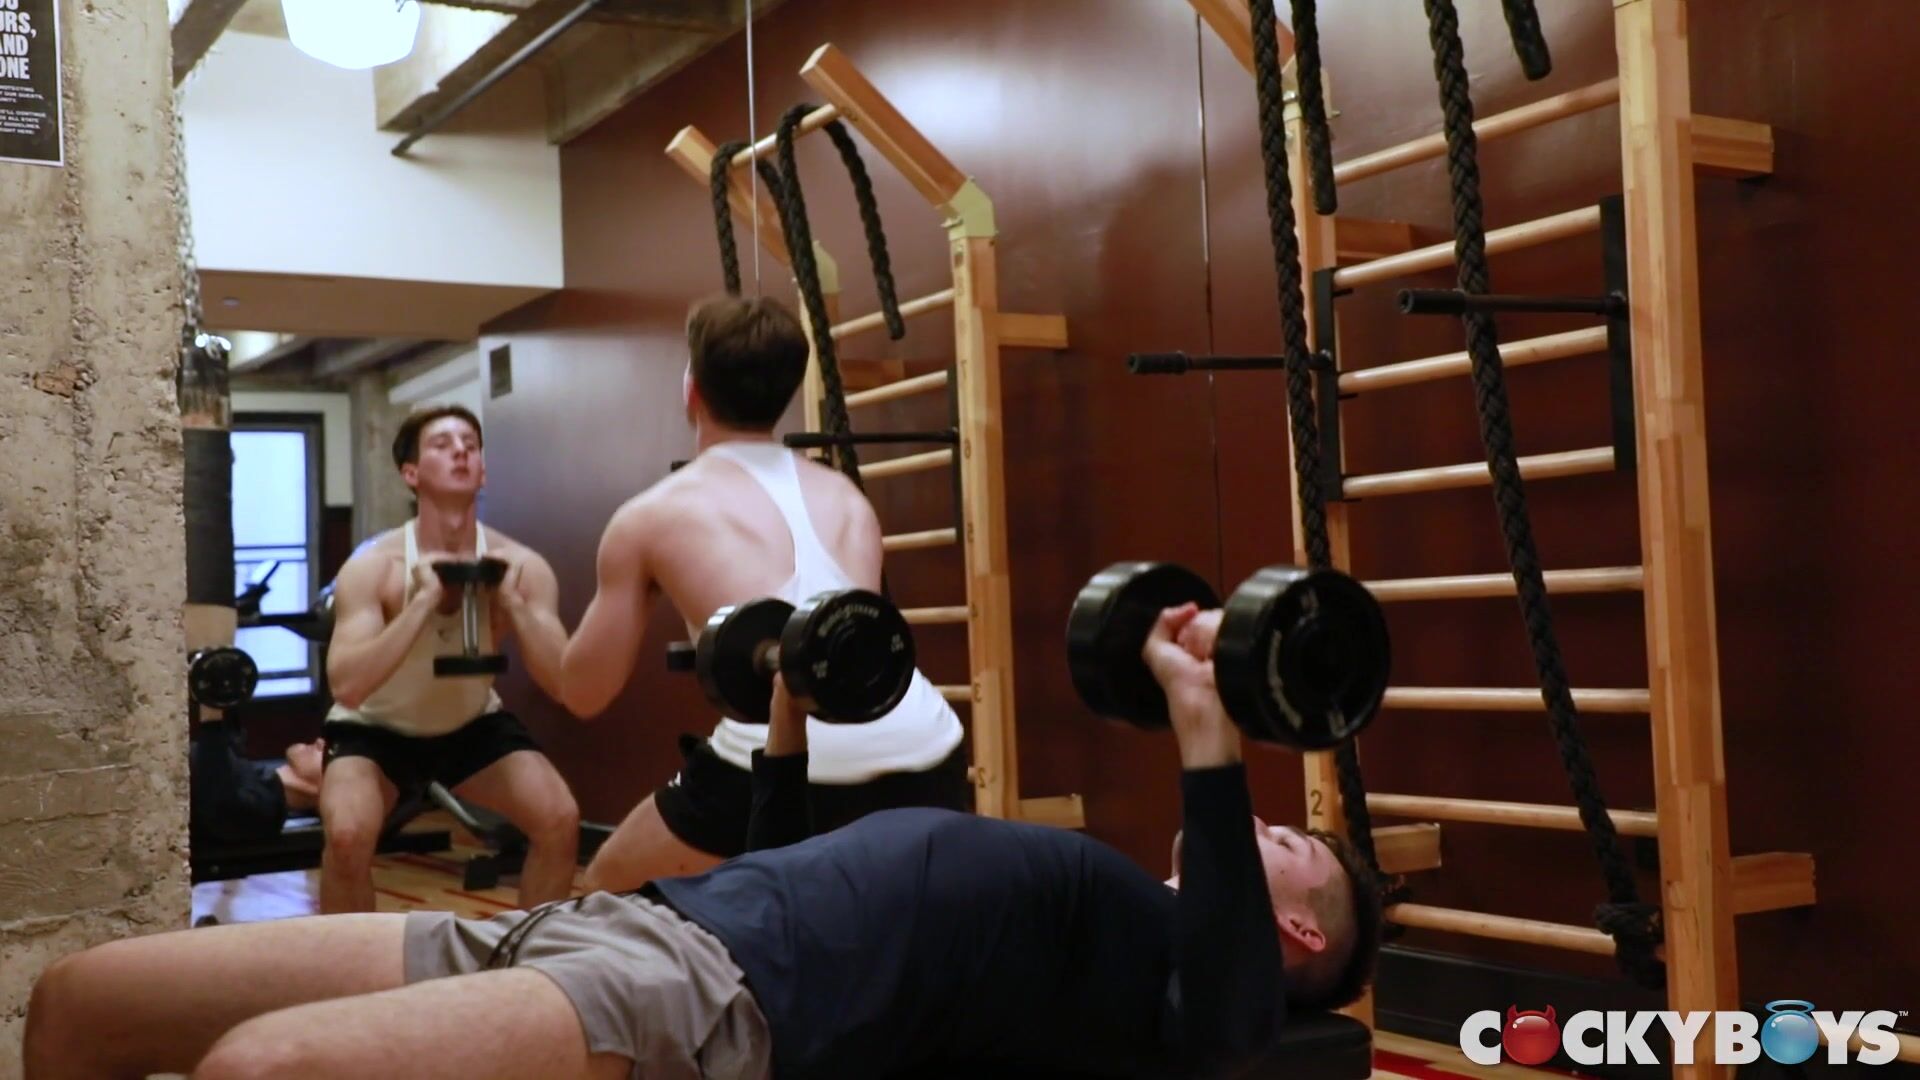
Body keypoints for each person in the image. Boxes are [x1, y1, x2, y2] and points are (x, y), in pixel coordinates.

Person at [21, 599, 1384, 1080]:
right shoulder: (1096, 918)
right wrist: (785, 706)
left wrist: (1206, 722)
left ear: (1294, 931)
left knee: (262, 1070)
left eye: (1293, 847)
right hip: (616, 930)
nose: (1269, 825)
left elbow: (1227, 1028)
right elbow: (781, 860)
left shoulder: (1187, 994)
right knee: (84, 1002)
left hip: (705, 995)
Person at [558, 295, 969, 892]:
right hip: (928, 743)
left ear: (692, 391)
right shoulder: (846, 495)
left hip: (785, 750)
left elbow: (584, 692)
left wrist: (526, 613)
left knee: (603, 894)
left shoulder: (651, 514)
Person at [319, 405, 580, 913]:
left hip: (469, 724)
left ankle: (529, 951)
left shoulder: (522, 566)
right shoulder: (375, 568)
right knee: (347, 837)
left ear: (483, 472)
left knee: (559, 820)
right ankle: (349, 958)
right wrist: (420, 604)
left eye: (471, 445)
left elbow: (563, 684)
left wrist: (513, 606)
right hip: (375, 731)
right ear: (411, 474)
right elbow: (347, 687)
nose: (461, 451)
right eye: (442, 444)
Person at [189, 726, 325, 843]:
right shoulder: (256, 781)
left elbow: (218, 799)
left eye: (332, 753)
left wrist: (212, 722)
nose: (321, 742)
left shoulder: (264, 810)